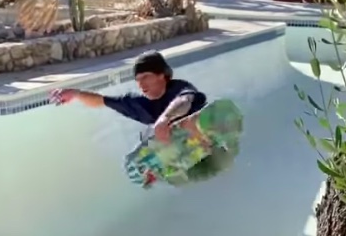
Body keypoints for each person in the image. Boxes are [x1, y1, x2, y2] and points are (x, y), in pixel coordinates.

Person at [49, 50, 239, 185]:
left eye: (146, 77)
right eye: (138, 80)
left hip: (214, 149)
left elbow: (185, 101)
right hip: (194, 166)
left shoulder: (179, 88)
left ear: (162, 75)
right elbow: (101, 101)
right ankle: (160, 168)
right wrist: (76, 94)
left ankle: (204, 140)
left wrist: (165, 119)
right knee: (144, 145)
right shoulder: (139, 104)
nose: (141, 84)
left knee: (183, 123)